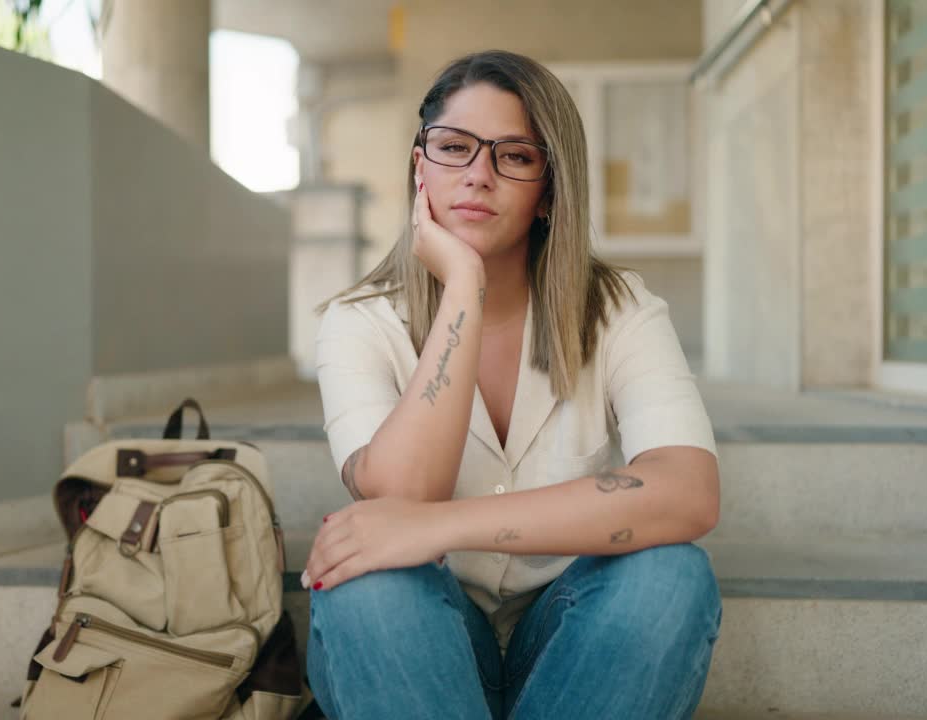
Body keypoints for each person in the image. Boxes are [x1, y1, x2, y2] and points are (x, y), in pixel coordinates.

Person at [300, 50, 723, 720]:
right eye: (453, 148)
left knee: (670, 576)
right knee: (371, 584)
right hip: (415, 632)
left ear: (550, 189)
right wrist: (462, 286)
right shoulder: (359, 323)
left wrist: (440, 526)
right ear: (420, 168)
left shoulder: (619, 309)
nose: (478, 175)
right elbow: (401, 496)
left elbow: (690, 494)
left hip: (567, 637)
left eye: (515, 156)